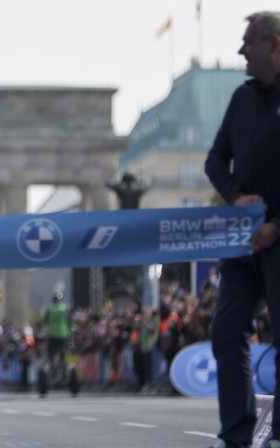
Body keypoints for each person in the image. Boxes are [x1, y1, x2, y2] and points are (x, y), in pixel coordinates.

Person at [204, 11, 280, 448]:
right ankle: (236, 434)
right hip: (243, 242)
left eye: (248, 41)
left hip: (279, 240)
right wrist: (234, 196)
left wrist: (277, 225)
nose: (240, 50)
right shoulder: (241, 97)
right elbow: (215, 160)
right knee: (226, 331)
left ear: (274, 45)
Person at [44, 293, 70, 384]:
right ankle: (64, 376)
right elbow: (69, 322)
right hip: (63, 335)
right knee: (63, 357)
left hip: (52, 335)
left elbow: (46, 321)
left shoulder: (50, 309)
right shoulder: (65, 309)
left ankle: (53, 376)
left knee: (51, 356)